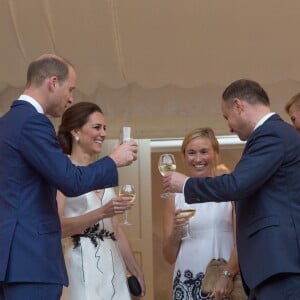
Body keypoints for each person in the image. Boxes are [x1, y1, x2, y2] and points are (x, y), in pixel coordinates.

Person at [0, 54, 137, 300]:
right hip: (31, 259)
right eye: (70, 88)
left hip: (13, 259)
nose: (71, 98)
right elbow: (70, 181)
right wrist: (114, 160)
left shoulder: (7, 123)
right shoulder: (33, 122)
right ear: (53, 82)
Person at [163, 79, 300, 300]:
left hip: (278, 263)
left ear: (238, 105)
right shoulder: (272, 134)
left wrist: (185, 184)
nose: (229, 126)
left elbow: (237, 185)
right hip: (270, 266)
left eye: (227, 117)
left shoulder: (271, 134)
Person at [57, 102, 145, 299]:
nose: (103, 134)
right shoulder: (62, 172)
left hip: (112, 260)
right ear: (75, 131)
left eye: (104, 128)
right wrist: (102, 212)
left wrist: (135, 269)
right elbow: (59, 227)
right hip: (80, 262)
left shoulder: (102, 173)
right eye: (96, 127)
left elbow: (115, 229)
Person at [163, 128, 239, 300]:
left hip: (222, 282)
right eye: (191, 153)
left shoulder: (230, 192)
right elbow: (168, 256)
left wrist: (227, 275)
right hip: (186, 282)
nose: (198, 159)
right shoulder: (174, 198)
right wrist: (176, 231)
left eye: (204, 152)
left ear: (216, 154)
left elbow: (241, 243)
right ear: (184, 157)